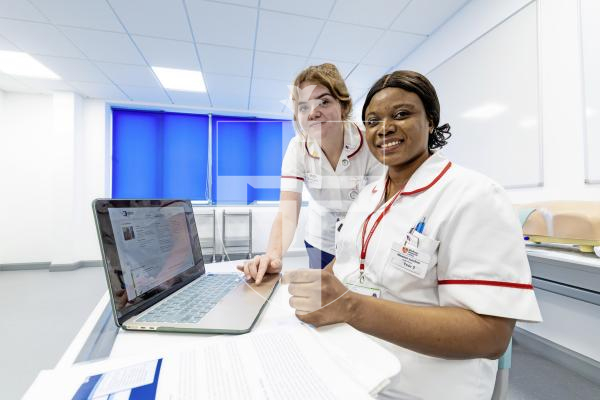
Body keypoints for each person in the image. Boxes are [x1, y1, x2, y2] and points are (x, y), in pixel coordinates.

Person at [282, 70, 542, 399]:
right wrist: (315, 286)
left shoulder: (473, 196)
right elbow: (347, 261)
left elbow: (491, 336)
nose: (384, 127)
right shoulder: (368, 197)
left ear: (430, 121)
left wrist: (350, 307)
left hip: (420, 389)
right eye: (373, 120)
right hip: (354, 367)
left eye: (401, 114)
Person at [239, 63, 384, 280]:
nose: (313, 113)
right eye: (304, 107)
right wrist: (273, 256)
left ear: (343, 106)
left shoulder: (370, 142)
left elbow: (380, 206)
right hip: (321, 240)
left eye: (324, 102)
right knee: (322, 296)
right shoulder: (297, 148)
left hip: (364, 240)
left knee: (361, 294)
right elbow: (287, 213)